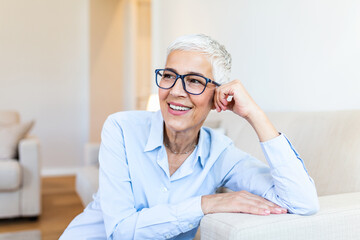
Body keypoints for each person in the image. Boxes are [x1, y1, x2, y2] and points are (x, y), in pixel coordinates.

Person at [60, 34, 318, 240]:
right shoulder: (121, 128)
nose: (175, 91)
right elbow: (121, 232)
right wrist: (206, 203)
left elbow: (303, 202)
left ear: (218, 96)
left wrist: (254, 114)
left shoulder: (221, 154)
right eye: (169, 76)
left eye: (193, 81)